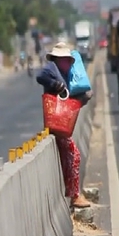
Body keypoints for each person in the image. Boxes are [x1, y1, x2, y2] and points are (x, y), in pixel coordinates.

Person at [36, 42, 92, 209]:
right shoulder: (52, 69)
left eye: (69, 60)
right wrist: (55, 85)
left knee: (72, 156)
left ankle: (74, 193)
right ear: (58, 59)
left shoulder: (65, 74)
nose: (68, 63)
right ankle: (75, 196)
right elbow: (40, 77)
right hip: (55, 122)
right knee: (73, 156)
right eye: (65, 60)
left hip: (61, 122)